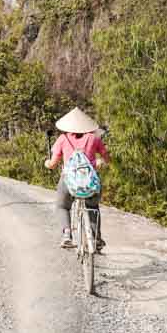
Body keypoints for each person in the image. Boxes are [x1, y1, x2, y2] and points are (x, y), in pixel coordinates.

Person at [45, 107, 109, 250]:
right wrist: (100, 162)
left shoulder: (63, 139)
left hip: (69, 181)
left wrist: (48, 164)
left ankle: (67, 234)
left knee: (62, 206)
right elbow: (106, 158)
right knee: (93, 207)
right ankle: (96, 238)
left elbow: (53, 163)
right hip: (90, 182)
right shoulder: (94, 138)